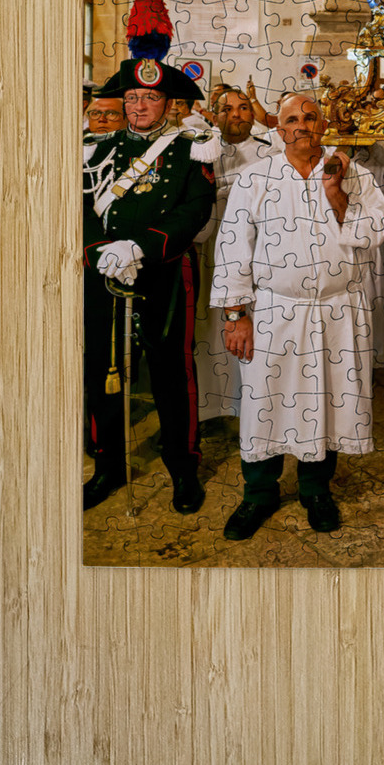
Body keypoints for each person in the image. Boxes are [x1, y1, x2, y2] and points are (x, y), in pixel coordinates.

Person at [210, 94, 384, 540]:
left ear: (323, 125)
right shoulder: (255, 179)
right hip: (274, 311)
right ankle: (258, 494)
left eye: (311, 117)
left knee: (326, 403)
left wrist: (337, 197)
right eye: (293, 119)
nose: (303, 125)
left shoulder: (354, 174)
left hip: (337, 311)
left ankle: (315, 490)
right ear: (280, 129)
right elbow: (233, 248)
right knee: (264, 403)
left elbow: (376, 232)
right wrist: (236, 314)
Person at [82, 50, 218, 514]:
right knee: (103, 372)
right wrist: (98, 251)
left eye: (150, 98)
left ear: (169, 104)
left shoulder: (191, 149)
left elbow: (195, 209)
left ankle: (183, 466)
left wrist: (139, 246)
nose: (139, 106)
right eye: (133, 97)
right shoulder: (96, 149)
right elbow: (76, 211)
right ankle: (108, 467)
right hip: (103, 278)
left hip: (163, 274)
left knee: (171, 376)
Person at [192, 88, 281, 420]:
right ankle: (211, 407)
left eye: (244, 107)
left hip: (256, 250)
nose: (238, 114)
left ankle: (252, 407)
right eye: (228, 109)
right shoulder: (203, 149)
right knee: (208, 327)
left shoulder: (269, 153)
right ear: (215, 115)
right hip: (209, 244)